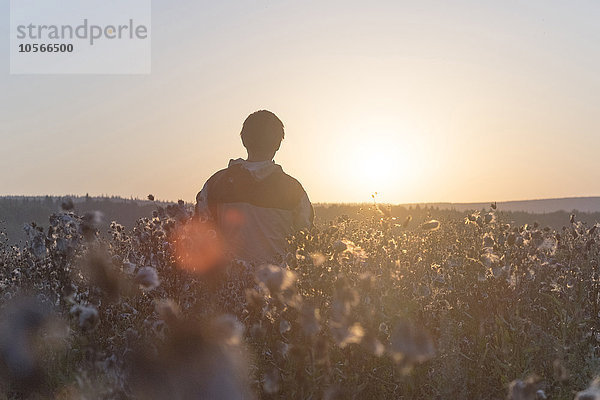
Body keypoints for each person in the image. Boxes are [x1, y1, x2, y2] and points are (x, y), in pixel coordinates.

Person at [195, 110, 313, 264]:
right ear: (278, 144)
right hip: (277, 285)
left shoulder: (216, 183)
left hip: (225, 283)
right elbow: (305, 239)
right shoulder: (293, 190)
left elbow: (200, 233)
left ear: (244, 140)